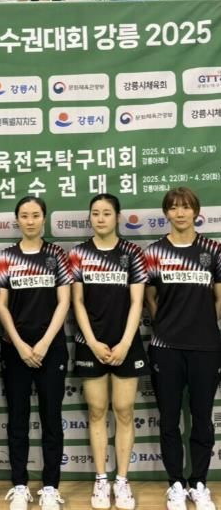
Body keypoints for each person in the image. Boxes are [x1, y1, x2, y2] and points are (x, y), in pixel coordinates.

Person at [69, 193, 148, 510]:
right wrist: (91, 341)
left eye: (106, 213)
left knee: (125, 410)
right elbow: (77, 302)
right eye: (95, 213)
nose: (100, 218)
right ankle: (101, 480)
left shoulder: (132, 253)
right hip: (91, 344)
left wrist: (126, 343)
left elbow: (137, 302)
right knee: (97, 411)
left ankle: (122, 480)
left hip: (126, 343)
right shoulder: (79, 254)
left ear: (117, 217)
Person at [144, 187, 221, 510]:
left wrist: (202, 324)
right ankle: (175, 483)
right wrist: (166, 325)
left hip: (206, 347)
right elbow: (149, 297)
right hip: (166, 348)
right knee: (169, 419)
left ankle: (199, 483)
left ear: (196, 212)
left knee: (202, 418)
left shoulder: (212, 250)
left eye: (186, 207)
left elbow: (219, 298)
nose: (180, 213)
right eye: (174, 207)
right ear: (166, 213)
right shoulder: (154, 252)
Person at [0, 197, 71, 510]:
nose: (30, 221)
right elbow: (1, 305)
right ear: (17, 220)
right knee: (18, 420)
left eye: (35, 215)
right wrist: (20, 344)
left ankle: (50, 487)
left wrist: (43, 343)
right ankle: (20, 486)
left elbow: (64, 302)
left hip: (50, 349)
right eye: (24, 216)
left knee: (51, 418)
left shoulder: (57, 255)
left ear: (44, 218)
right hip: (16, 350)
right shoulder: (6, 256)